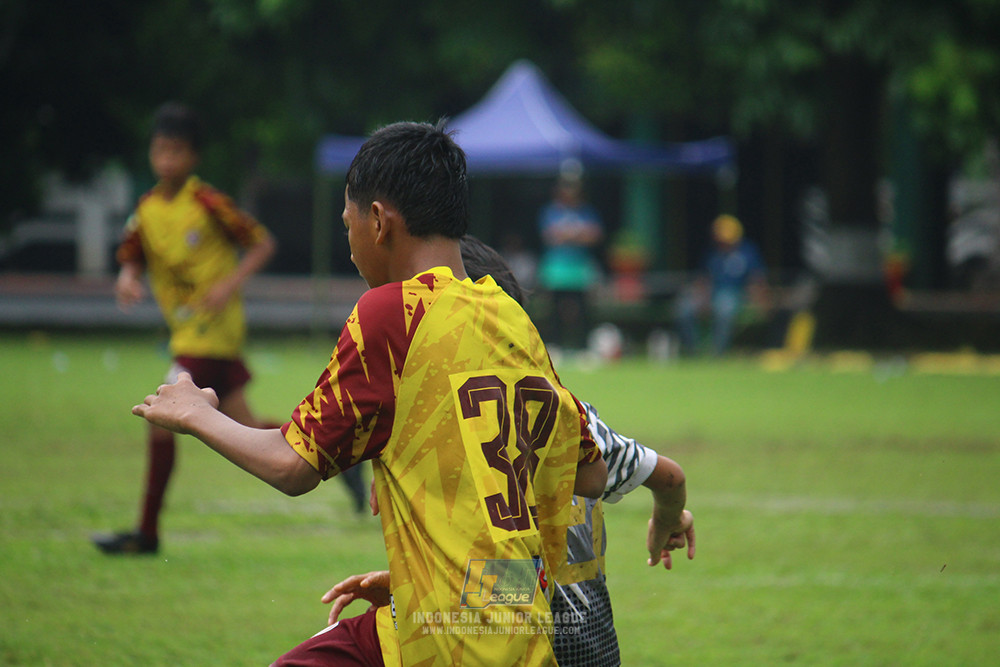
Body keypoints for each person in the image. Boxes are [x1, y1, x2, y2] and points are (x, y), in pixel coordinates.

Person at [130, 121, 607, 666]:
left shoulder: (393, 313)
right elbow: (588, 474)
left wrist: (196, 413)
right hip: (511, 635)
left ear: (378, 222)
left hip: (450, 647)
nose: (350, 245)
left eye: (347, 224)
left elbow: (291, 466)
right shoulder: (510, 317)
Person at [273, 236, 696, 667]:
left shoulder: (447, 432)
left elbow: (509, 582)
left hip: (515, 646)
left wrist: (427, 592)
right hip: (595, 655)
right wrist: (669, 517)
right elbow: (670, 477)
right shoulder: (580, 421)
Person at [92, 102, 277, 555]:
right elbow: (131, 254)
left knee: (161, 417)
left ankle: (147, 533)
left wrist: (227, 285)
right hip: (187, 333)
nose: (167, 160)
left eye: (176, 151)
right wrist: (127, 279)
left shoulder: (208, 202)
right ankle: (332, 452)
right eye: (160, 150)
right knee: (246, 424)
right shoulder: (147, 209)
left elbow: (261, 243)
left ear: (193, 157)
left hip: (212, 330)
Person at [675, 214, 769, 356]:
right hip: (710, 293)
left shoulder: (747, 252)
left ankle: (717, 353)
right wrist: (701, 297)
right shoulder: (712, 253)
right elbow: (703, 279)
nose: (722, 242)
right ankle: (693, 351)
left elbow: (756, 279)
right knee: (683, 308)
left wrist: (761, 300)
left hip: (736, 294)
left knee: (724, 307)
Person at [537, 171, 604, 351]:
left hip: (580, 270)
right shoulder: (550, 211)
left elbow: (594, 235)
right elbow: (551, 236)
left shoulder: (587, 211)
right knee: (554, 310)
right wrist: (579, 234)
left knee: (583, 310)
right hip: (556, 270)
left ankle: (583, 347)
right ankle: (556, 346)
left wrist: (567, 234)